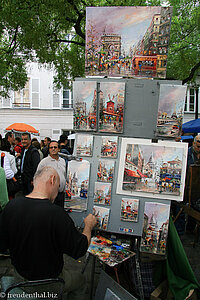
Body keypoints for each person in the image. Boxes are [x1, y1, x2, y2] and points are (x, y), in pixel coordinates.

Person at [0, 166, 97, 300]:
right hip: (48, 284)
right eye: (58, 187)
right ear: (52, 180)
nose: (57, 192)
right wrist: (88, 226)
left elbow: (2, 244)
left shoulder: (11, 207)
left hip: (19, 277)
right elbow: (79, 249)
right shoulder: (56, 214)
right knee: (80, 280)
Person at [36, 140, 66, 207]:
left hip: (61, 194)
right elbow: (37, 177)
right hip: (50, 195)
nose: (53, 149)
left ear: (59, 149)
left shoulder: (62, 161)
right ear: (49, 149)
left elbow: (64, 175)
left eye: (55, 147)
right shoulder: (44, 162)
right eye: (51, 147)